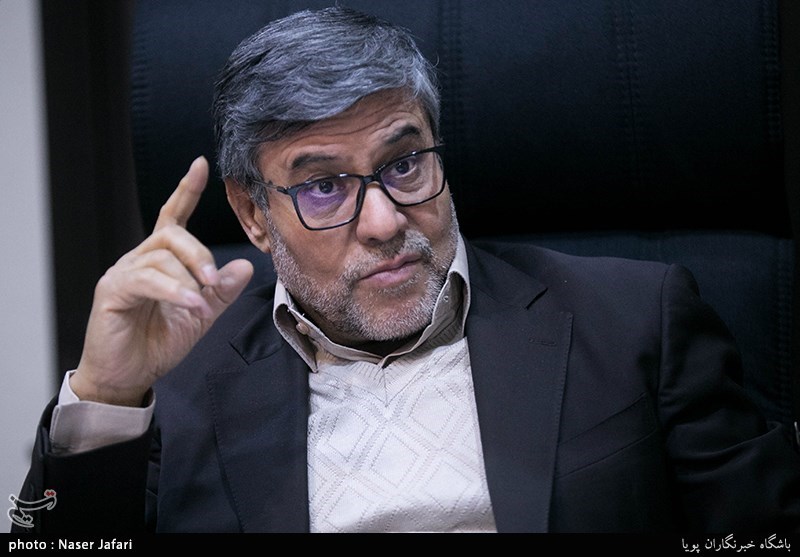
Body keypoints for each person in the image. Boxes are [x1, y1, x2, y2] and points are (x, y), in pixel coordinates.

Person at [13, 6, 800, 533]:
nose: (385, 221)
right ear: (253, 216)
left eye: (403, 163)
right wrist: (106, 396)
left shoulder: (633, 320)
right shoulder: (176, 388)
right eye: (324, 186)